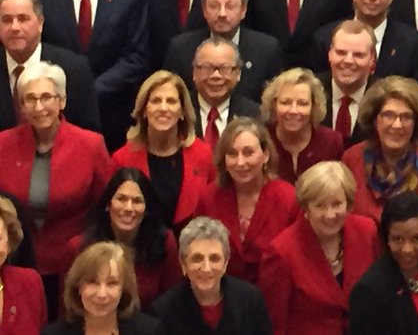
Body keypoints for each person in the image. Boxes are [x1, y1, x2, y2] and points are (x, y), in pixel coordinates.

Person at [26, 0, 149, 148]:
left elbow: (136, 57)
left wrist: (88, 90)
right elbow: (34, 47)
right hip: (50, 113)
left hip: (110, 112)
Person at [0, 61, 112, 288]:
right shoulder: (3, 144)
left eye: (46, 97)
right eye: (30, 99)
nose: (39, 106)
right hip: (15, 263)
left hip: (74, 265)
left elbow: (105, 209)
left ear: (62, 100)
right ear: (21, 106)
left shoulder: (91, 145)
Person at [259, 161, 379, 335]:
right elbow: (274, 324)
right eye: (320, 205)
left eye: (337, 204)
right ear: (306, 208)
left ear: (349, 203)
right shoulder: (282, 252)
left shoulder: (367, 231)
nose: (330, 214)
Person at [196, 116, 299, 285]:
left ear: (265, 155)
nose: (240, 162)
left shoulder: (289, 199)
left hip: (273, 295)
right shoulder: (208, 197)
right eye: (232, 154)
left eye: (248, 152)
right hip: (222, 294)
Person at [342, 75, 418, 221]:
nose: (397, 125)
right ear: (374, 119)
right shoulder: (352, 159)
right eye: (388, 115)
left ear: (416, 122)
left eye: (406, 117)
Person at [112, 71, 215, 227]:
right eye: (156, 101)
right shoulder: (122, 159)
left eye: (171, 101)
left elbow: (214, 208)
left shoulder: (203, 155)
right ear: (144, 110)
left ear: (182, 111)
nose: (163, 108)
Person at [348, 193, 418, 335]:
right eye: (397, 239)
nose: (407, 250)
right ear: (387, 239)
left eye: (416, 238)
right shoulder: (370, 289)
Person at [163, 0, 284, 102]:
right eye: (214, 6)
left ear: (243, 10)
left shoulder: (266, 50)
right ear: (204, 10)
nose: (222, 14)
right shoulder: (181, 48)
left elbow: (274, 102)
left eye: (230, 6)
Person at [0, 0, 101, 133]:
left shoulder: (74, 69)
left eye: (23, 19)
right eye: (6, 20)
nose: (14, 27)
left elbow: (89, 134)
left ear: (40, 23)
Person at [150, 216, 273, 335]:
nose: (206, 268)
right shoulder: (163, 311)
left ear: (225, 263)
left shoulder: (251, 300)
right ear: (183, 264)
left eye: (214, 258)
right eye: (197, 258)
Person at [75, 169, 181, 308]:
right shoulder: (80, 248)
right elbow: (70, 309)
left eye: (137, 201)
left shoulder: (165, 242)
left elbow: (172, 303)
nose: (129, 208)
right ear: (108, 204)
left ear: (147, 209)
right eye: (121, 199)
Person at [44, 241, 159, 335]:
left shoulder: (151, 331)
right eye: (93, 282)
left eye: (111, 283)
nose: (102, 294)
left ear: (124, 289)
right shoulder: (53, 333)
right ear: (78, 287)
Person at [262, 67, 344, 184]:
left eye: (302, 103)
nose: (293, 110)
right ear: (274, 105)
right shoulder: (261, 140)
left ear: (314, 106)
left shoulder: (332, 142)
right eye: (285, 102)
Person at [188, 38, 259, 145]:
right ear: (194, 72)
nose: (216, 76)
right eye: (208, 67)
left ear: (238, 74)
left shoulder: (255, 115)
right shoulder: (180, 112)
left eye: (224, 68)